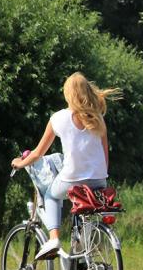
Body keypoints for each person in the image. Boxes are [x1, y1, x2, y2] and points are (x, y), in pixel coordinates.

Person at [11, 72, 119, 259]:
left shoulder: (58, 118)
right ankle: (84, 257)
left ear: (68, 94)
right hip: (100, 180)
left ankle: (54, 239)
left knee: (51, 195)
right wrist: (102, 176)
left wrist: (20, 163)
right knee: (85, 210)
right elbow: (105, 153)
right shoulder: (98, 118)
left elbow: (38, 153)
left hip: (72, 180)